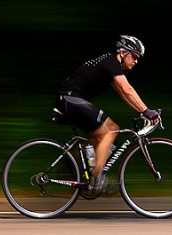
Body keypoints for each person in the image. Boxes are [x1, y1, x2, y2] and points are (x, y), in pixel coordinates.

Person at [55, 35, 160, 191]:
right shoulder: (111, 62)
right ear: (123, 52)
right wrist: (146, 110)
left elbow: (124, 95)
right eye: (135, 56)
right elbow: (128, 89)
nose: (136, 61)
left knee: (105, 134)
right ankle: (96, 180)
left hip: (69, 99)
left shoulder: (110, 66)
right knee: (110, 131)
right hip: (71, 98)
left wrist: (142, 112)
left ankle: (74, 164)